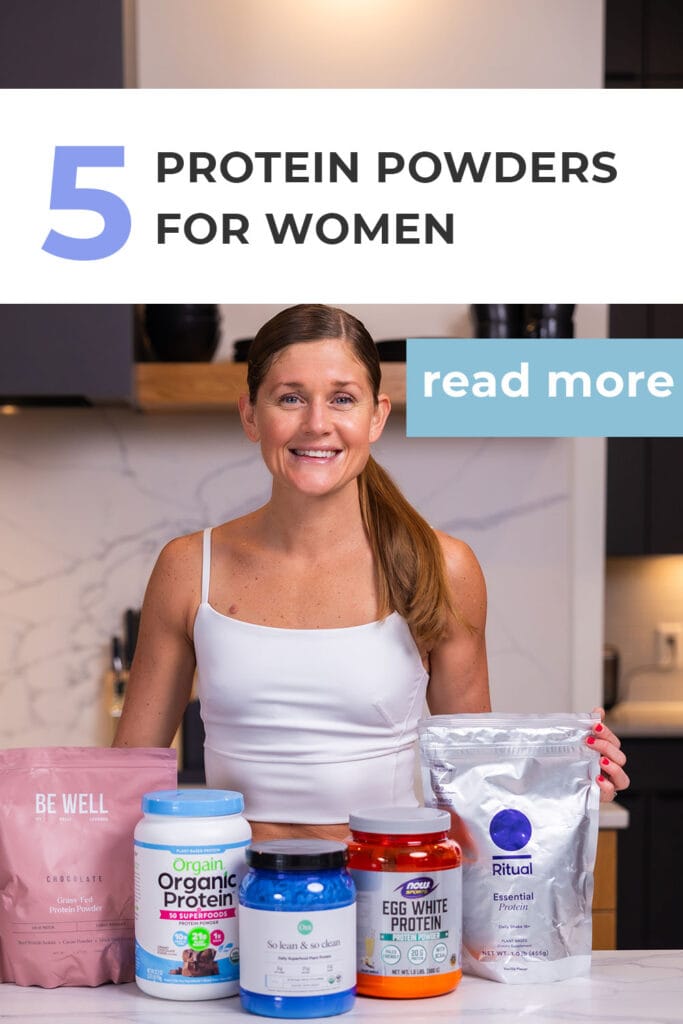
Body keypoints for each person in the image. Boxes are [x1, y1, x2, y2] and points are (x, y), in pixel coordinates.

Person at [113, 304, 628, 840]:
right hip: (225, 900)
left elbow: (473, 781)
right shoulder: (187, 569)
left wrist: (566, 778)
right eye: (290, 397)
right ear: (250, 415)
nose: (317, 423)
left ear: (375, 416)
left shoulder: (443, 568)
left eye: (343, 399)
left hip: (390, 902)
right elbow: (126, 781)